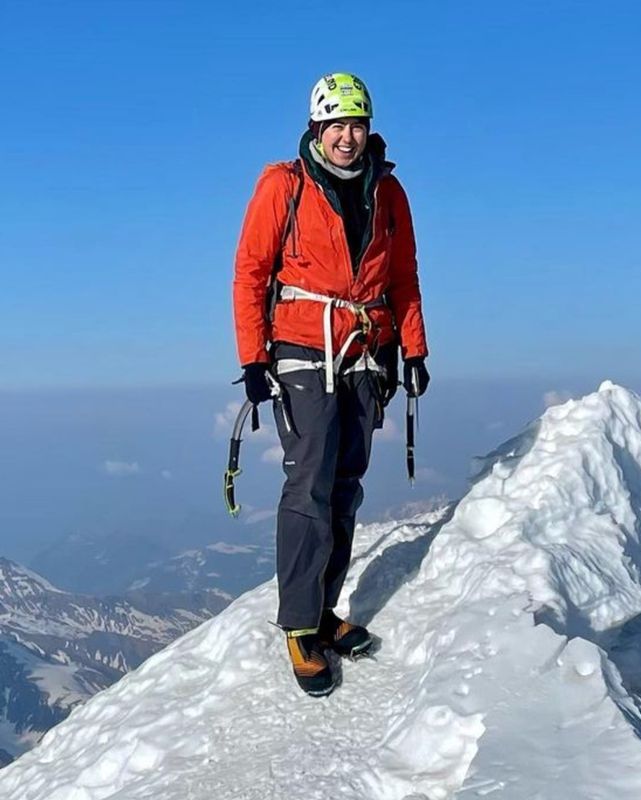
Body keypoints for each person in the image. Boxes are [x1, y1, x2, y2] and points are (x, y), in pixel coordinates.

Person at [232, 72, 430, 696]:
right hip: (302, 345)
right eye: (337, 125)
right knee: (310, 481)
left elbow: (403, 275)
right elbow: (251, 271)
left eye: (357, 124)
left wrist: (414, 348)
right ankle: (298, 624)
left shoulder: (388, 191)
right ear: (316, 128)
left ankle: (323, 610)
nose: (348, 137)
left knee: (346, 483)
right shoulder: (283, 185)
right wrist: (253, 357)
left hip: (365, 348)